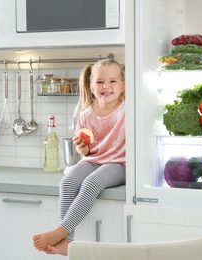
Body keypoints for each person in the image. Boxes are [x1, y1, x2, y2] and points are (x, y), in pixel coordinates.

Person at [32, 58, 126, 256]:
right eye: (100, 82)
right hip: (93, 161)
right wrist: (82, 149)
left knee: (91, 183)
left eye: (113, 81)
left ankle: (60, 232)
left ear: (123, 86)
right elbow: (85, 151)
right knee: (67, 182)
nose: (106, 86)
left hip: (119, 164)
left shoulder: (128, 110)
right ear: (91, 87)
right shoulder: (86, 115)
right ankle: (67, 241)